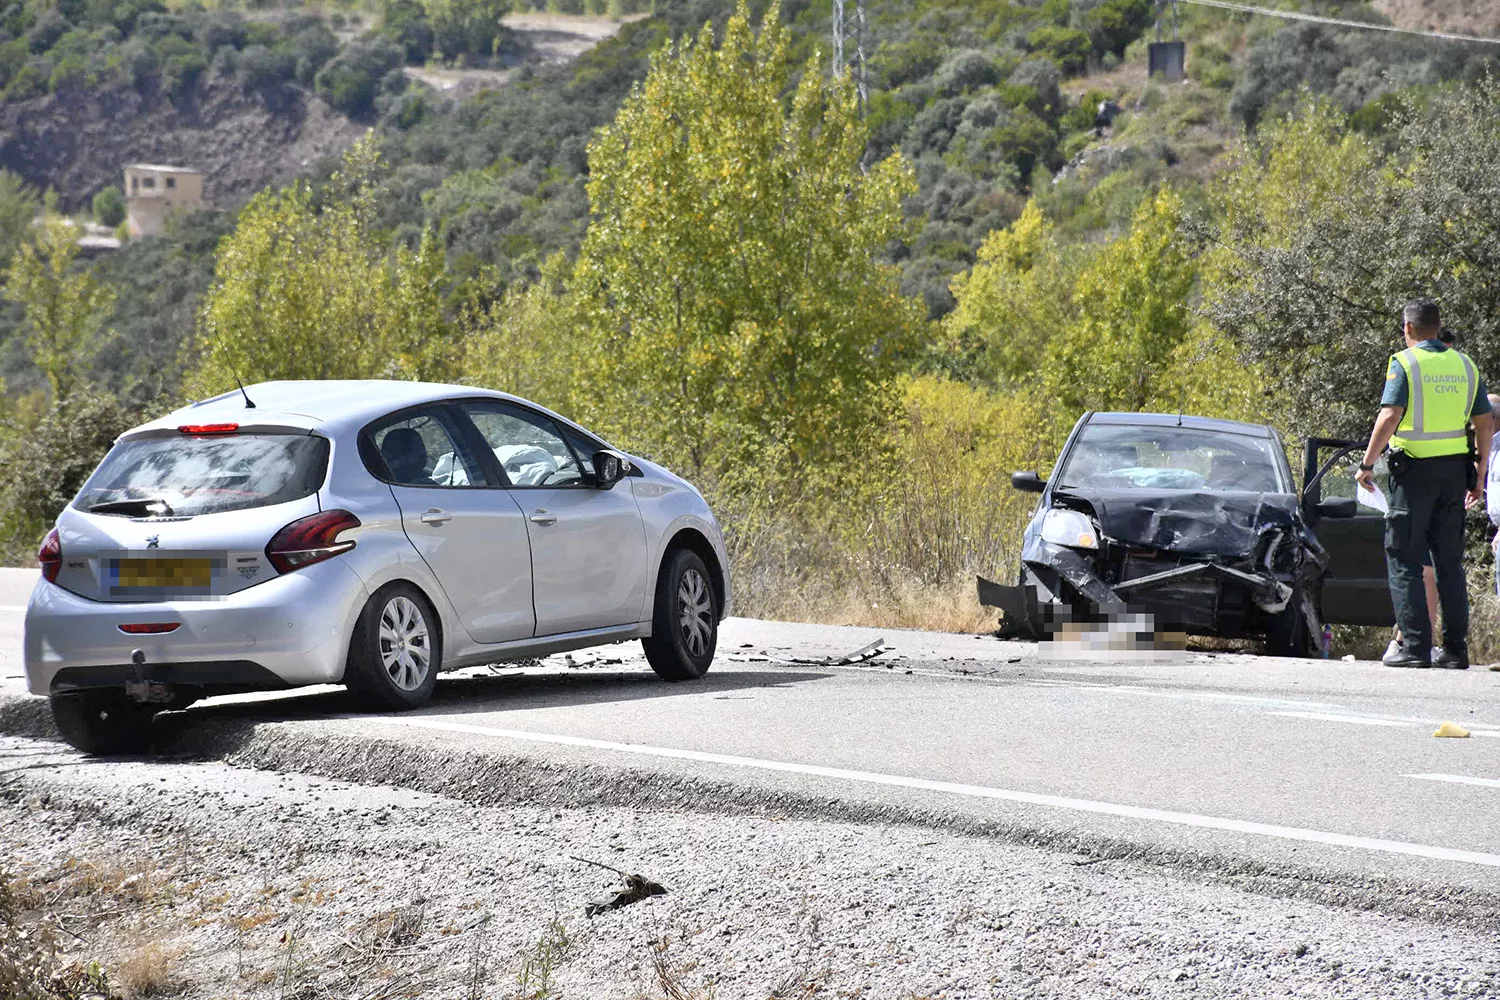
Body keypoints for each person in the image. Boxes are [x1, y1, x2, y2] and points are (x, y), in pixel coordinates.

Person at [1356, 300, 1493, 669]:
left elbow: (1389, 416)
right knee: (1449, 562)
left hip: (1414, 474)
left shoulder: (1405, 362)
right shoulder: (1465, 364)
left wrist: (1367, 463)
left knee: (1403, 557)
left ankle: (1415, 647)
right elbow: (1484, 423)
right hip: (1453, 475)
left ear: (1408, 328)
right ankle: (1455, 651)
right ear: (1438, 326)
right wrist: (1479, 475)